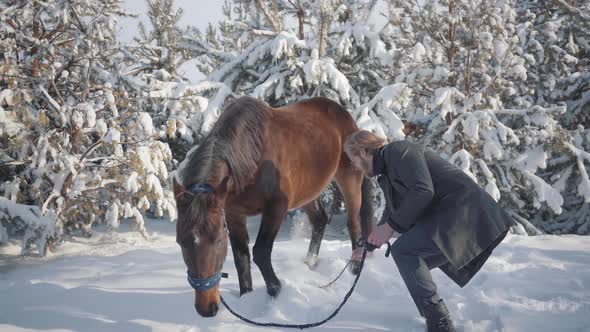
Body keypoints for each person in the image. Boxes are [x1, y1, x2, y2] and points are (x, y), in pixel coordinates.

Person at [344, 130, 515, 332]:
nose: (353, 165)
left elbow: (423, 190)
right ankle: (437, 320)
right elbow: (393, 212)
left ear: (363, 151)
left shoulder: (398, 151)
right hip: (455, 216)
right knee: (411, 260)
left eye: (352, 158)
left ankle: (440, 323)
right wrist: (370, 245)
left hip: (467, 211)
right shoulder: (387, 172)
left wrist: (389, 228)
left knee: (405, 251)